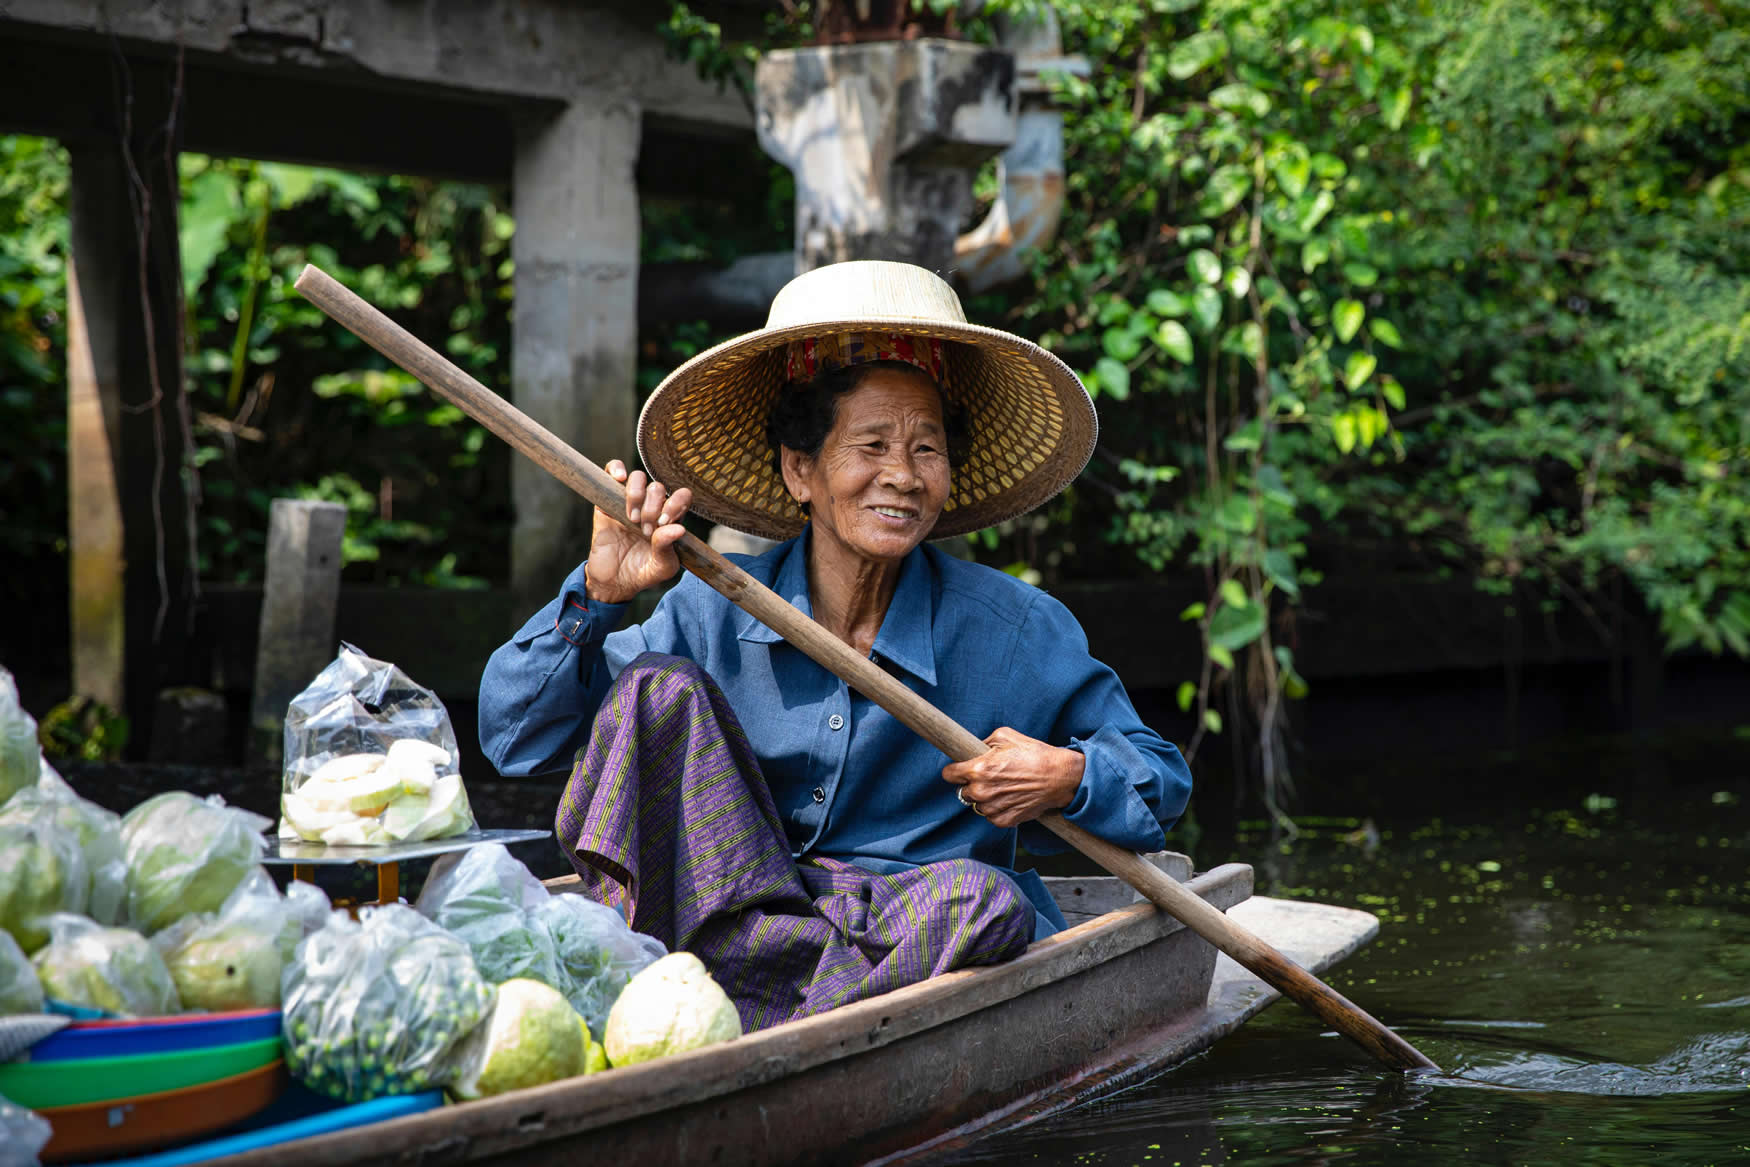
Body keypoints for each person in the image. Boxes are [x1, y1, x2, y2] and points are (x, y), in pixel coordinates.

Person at [479, 260, 1191, 1031]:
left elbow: (1160, 778)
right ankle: (736, 1004)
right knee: (654, 691)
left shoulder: (1016, 629)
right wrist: (597, 593)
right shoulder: (711, 608)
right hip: (733, 924)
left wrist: (1067, 775)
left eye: (927, 449)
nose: (903, 476)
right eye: (873, 444)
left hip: (906, 937)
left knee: (984, 899)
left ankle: (777, 1036)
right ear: (800, 468)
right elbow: (516, 738)